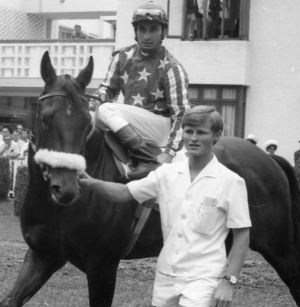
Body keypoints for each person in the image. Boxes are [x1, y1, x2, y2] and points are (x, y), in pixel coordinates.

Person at [79, 106, 250, 307]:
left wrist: (228, 282)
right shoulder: (166, 174)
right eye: (188, 131)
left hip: (205, 278)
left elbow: (242, 234)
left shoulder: (231, 182)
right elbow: (125, 192)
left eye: (201, 132)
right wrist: (90, 182)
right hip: (166, 276)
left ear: (216, 136)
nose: (193, 138)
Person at [93, 0, 190, 179]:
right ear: (135, 32)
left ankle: (146, 160)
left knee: (106, 109)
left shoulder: (172, 68)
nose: (146, 36)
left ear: (163, 32)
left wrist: (169, 152)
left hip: (160, 129)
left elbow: (182, 114)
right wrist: (98, 98)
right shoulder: (122, 57)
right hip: (132, 123)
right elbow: (107, 89)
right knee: (94, 114)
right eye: (142, 29)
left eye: (153, 29)